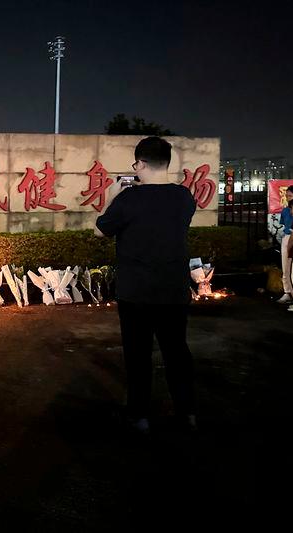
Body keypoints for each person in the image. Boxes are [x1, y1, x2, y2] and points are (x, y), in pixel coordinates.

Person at [94, 136, 197, 434]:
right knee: (177, 353)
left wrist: (111, 196)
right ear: (167, 163)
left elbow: (100, 231)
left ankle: (139, 416)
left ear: (139, 164)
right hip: (173, 291)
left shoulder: (128, 199)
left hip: (136, 292)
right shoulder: (183, 197)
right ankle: (187, 413)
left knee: (138, 354)